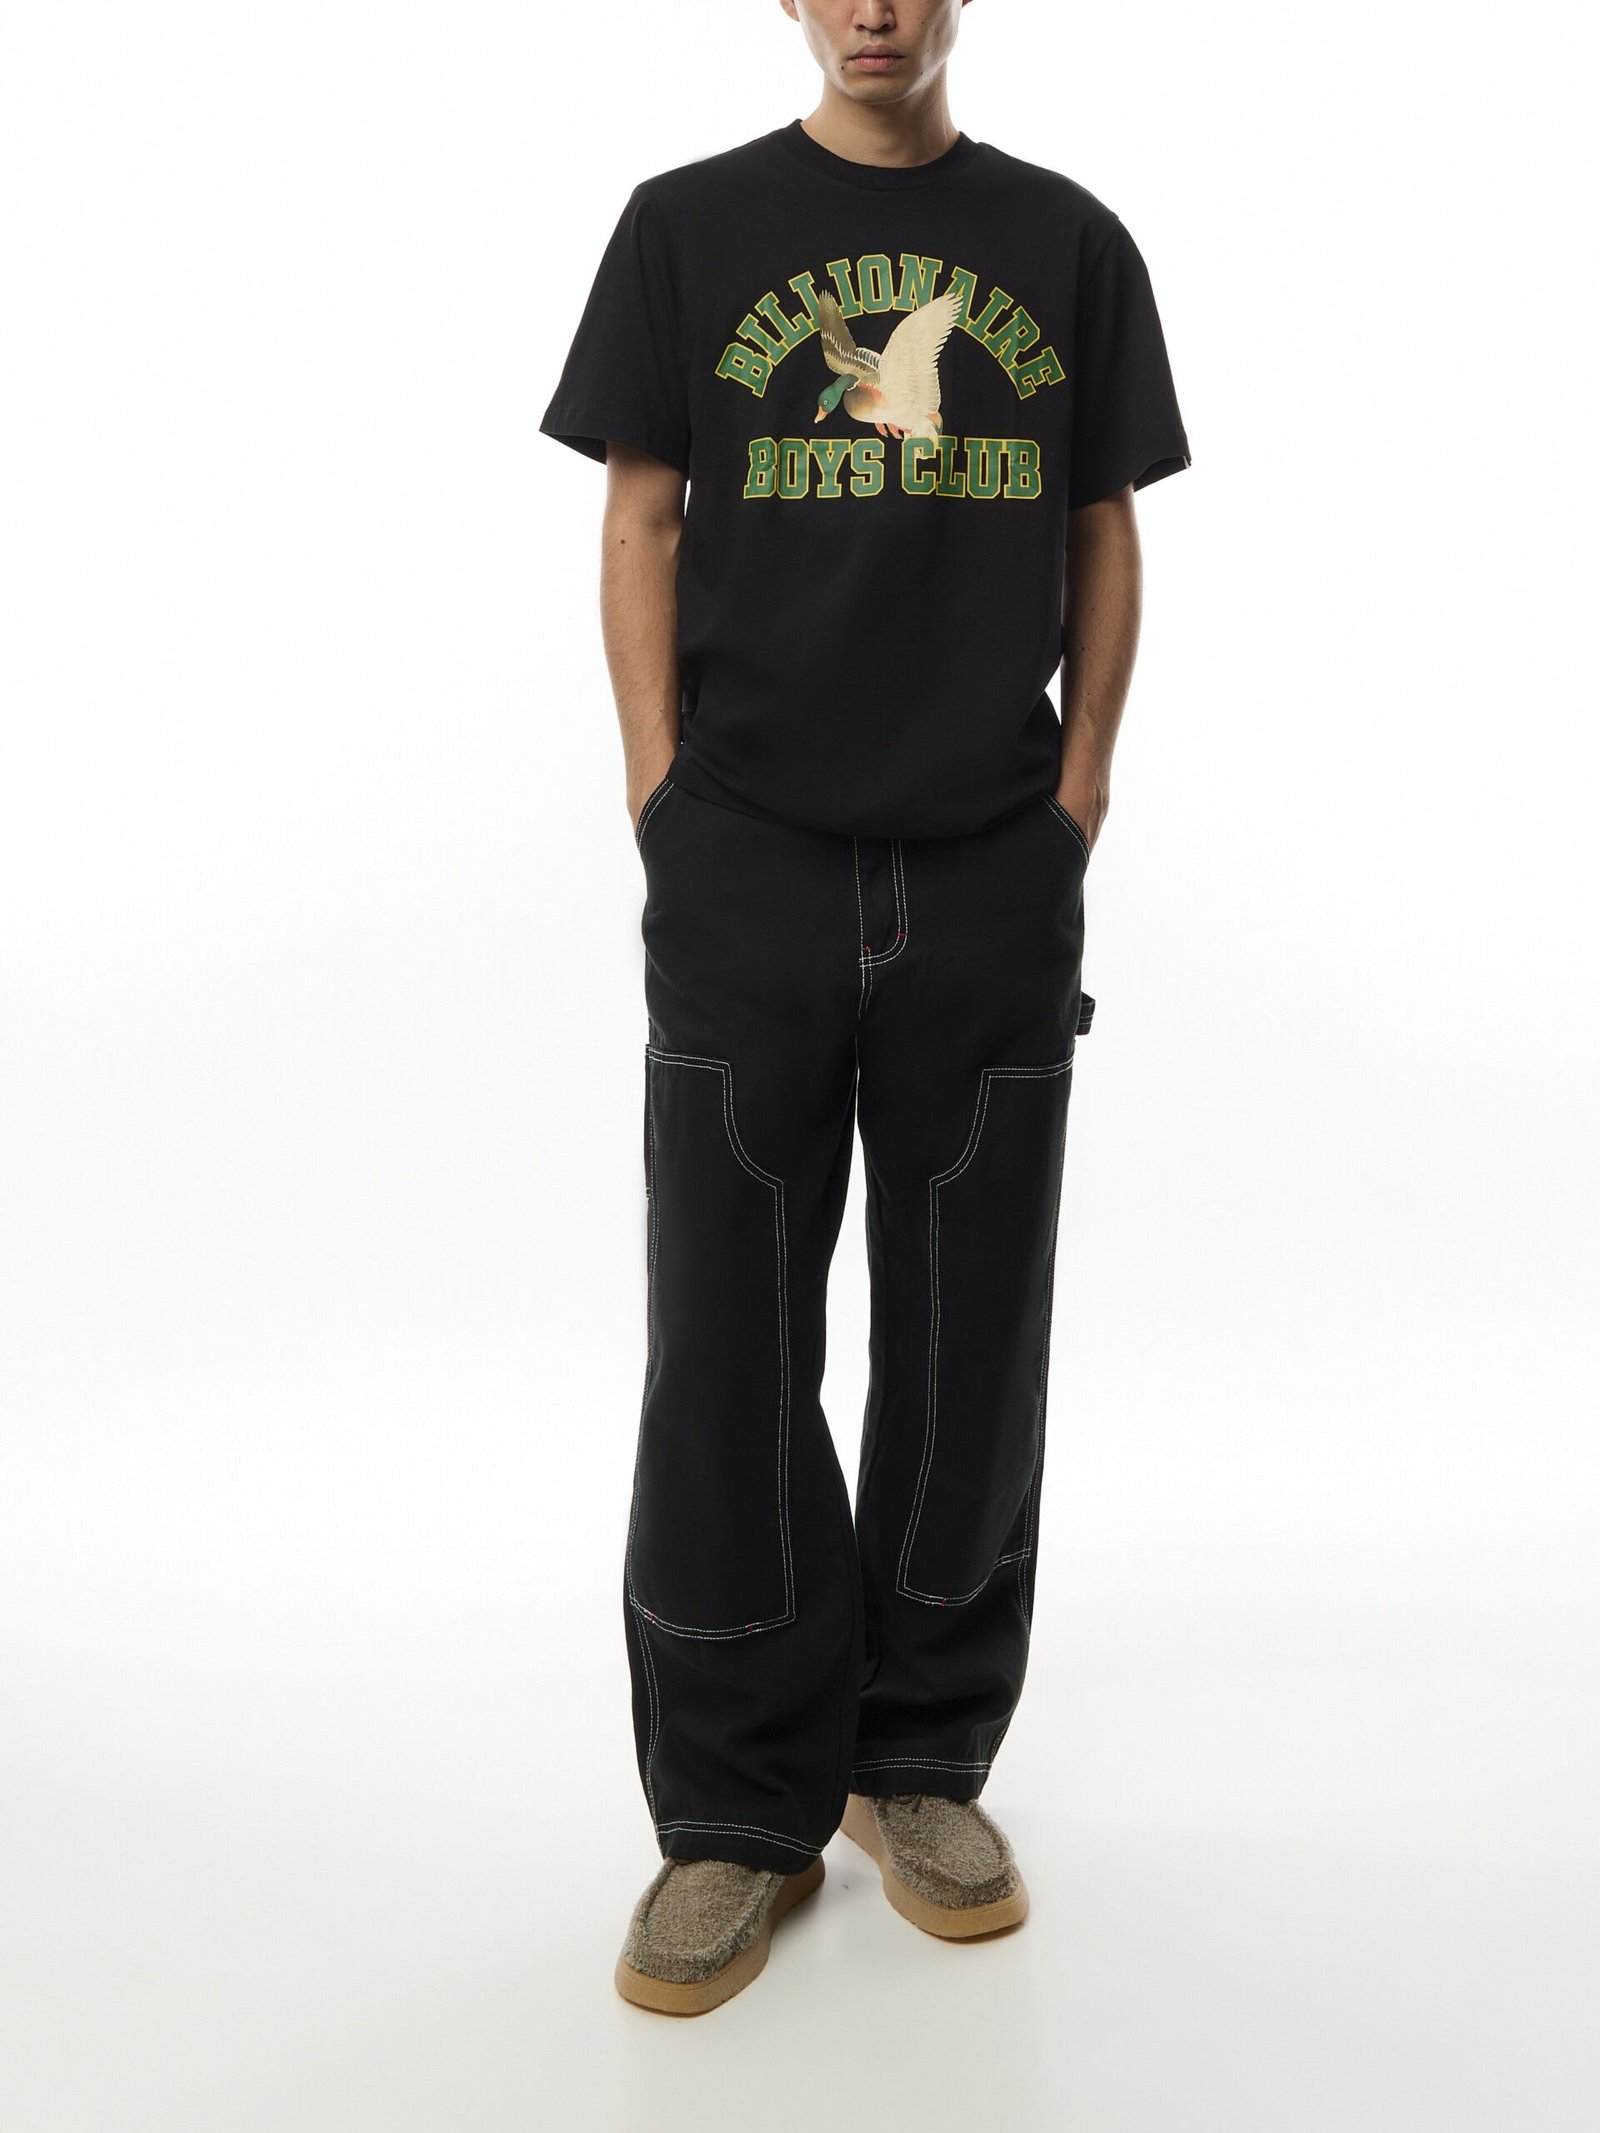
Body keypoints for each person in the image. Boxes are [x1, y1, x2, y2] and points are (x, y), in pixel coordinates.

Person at [539, 0, 1188, 2016]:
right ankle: (733, 1811)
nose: (876, 9)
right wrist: (661, 792)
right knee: (726, 1335)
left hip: (987, 862)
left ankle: (917, 1761)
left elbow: (1100, 523)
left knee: (968, 1327)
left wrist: (1074, 798)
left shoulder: (1065, 242)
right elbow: (639, 514)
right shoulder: (684, 228)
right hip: (748, 856)